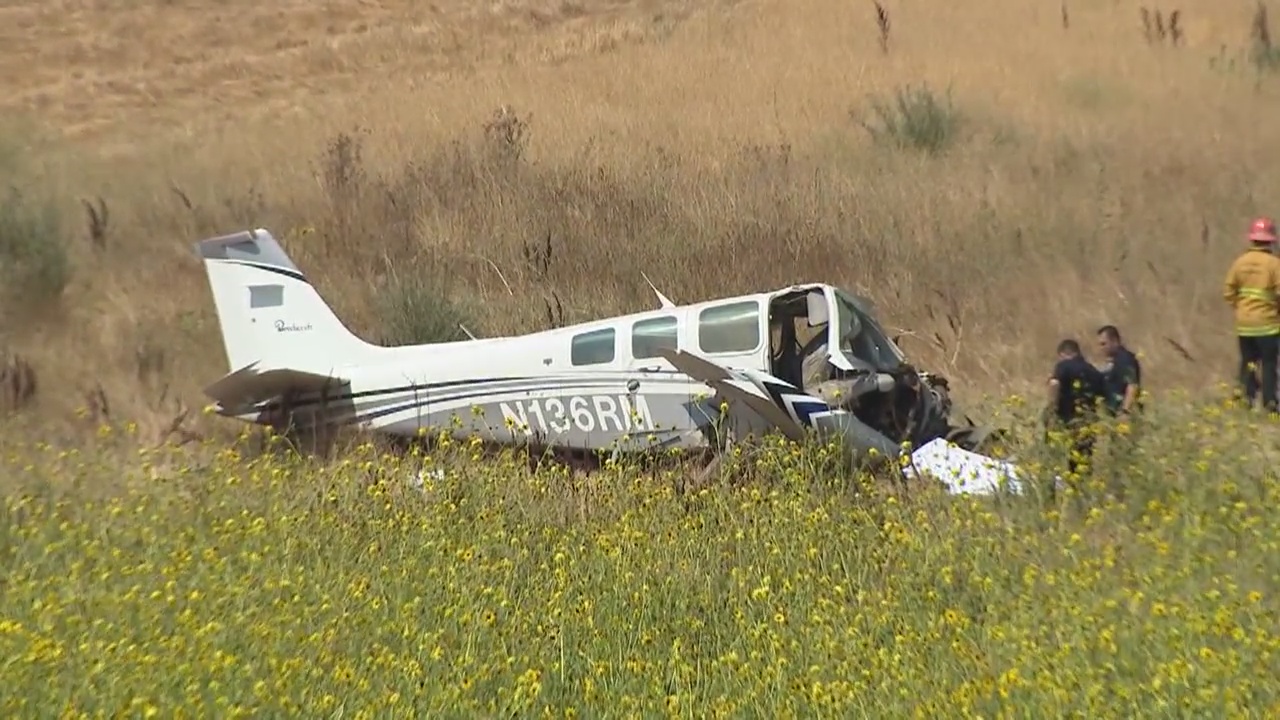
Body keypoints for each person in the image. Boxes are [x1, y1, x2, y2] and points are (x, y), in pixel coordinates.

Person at [1223, 217, 1280, 412]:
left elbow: (1229, 292)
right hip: (1268, 324)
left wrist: (1241, 308)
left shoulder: (1240, 263)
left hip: (1244, 325)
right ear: (1271, 240)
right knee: (1270, 366)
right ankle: (1270, 404)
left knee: (1248, 363)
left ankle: (1245, 400)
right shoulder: (1274, 264)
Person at [1045, 338, 1107, 479]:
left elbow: (1054, 384)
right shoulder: (1094, 372)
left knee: (1051, 460)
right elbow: (1101, 397)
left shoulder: (1064, 365)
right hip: (1087, 423)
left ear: (1063, 354)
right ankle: (1080, 495)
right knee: (1082, 464)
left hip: (1065, 421)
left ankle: (1049, 495)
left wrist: (1051, 410)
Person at [1095, 325, 1142, 416]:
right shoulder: (1115, 360)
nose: (1101, 348)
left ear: (1115, 341)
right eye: (1100, 344)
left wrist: (1125, 411)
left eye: (1104, 344)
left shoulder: (1125, 359)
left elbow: (1132, 385)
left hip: (1124, 414)